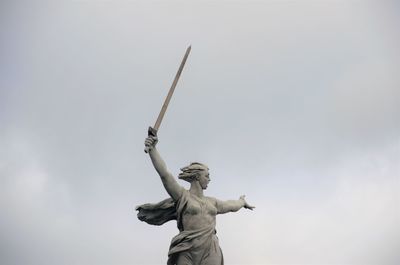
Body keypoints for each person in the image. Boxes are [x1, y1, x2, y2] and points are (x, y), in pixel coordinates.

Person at [136, 135, 255, 265]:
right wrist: (153, 150)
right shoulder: (182, 196)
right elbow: (165, 175)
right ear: (197, 176)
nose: (209, 179)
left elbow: (231, 205)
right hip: (187, 248)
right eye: (207, 176)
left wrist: (242, 202)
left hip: (210, 248)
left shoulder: (212, 202)